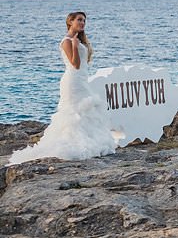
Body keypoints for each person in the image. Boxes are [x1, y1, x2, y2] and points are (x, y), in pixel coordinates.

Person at [7, 12, 120, 165]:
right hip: (72, 82)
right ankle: (72, 143)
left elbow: (83, 64)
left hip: (81, 80)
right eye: (79, 20)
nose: (82, 23)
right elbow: (75, 64)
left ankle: (88, 140)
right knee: (74, 111)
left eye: (84, 20)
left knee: (85, 110)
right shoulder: (67, 41)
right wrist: (74, 47)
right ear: (70, 22)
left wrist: (78, 45)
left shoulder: (78, 40)